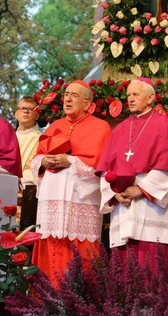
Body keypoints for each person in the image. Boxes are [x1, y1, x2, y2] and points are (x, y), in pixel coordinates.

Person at [95, 77, 168, 280]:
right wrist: (113, 193)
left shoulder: (165, 125)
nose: (130, 99)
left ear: (151, 97)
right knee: (124, 261)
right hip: (123, 202)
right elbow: (105, 169)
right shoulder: (119, 129)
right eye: (128, 95)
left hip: (150, 204)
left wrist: (142, 189)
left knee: (152, 259)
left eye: (135, 94)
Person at [30, 80, 111, 285]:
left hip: (79, 199)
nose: (67, 98)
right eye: (66, 94)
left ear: (87, 103)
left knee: (80, 252)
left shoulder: (101, 128)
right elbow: (36, 160)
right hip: (52, 199)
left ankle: (80, 307)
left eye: (74, 96)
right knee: (50, 245)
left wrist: (71, 160)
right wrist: (44, 161)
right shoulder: (55, 126)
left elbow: (101, 167)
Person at [15, 96, 42, 230]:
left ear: (36, 115)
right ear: (16, 113)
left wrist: (19, 177)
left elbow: (41, 170)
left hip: (28, 196)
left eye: (30, 109)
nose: (25, 112)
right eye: (22, 108)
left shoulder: (42, 139)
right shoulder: (8, 137)